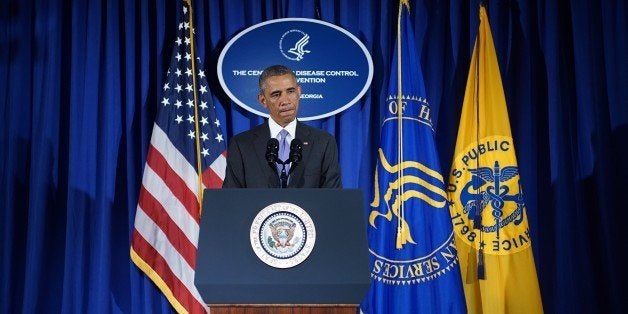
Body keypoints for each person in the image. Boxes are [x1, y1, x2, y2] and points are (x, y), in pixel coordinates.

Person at [222, 65, 342, 188]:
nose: (285, 101)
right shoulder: (241, 145)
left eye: (290, 91)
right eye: (276, 94)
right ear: (263, 100)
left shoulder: (323, 142)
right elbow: (232, 198)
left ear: (299, 92)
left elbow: (332, 198)